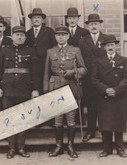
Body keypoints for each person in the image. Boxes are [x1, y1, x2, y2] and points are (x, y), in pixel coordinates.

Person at [0, 26, 40, 159]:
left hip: (25, 90)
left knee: (23, 119)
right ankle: (11, 148)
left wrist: (35, 89)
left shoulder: (31, 51)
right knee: (9, 119)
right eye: (17, 35)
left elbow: (36, 72)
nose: (19, 37)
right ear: (12, 37)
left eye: (22, 35)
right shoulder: (4, 51)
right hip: (7, 90)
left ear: (25, 38)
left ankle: (21, 147)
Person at [43, 26, 87, 158]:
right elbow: (46, 73)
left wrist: (73, 72)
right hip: (56, 88)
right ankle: (58, 146)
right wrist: (46, 90)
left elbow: (84, 69)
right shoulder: (50, 52)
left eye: (63, 35)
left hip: (71, 88)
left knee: (71, 119)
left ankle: (70, 146)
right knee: (58, 120)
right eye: (58, 35)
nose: (61, 37)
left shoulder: (75, 50)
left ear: (68, 36)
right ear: (55, 37)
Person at [91, 34, 127, 158]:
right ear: (104, 47)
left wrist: (116, 90)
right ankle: (106, 148)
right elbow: (94, 79)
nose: (110, 47)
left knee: (119, 123)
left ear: (116, 46)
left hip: (119, 96)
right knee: (105, 124)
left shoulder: (124, 60)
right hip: (104, 96)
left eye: (112, 45)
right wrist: (105, 90)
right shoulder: (97, 61)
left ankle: (120, 148)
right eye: (107, 45)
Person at [78, 13, 108, 142]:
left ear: (100, 25)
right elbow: (80, 61)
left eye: (96, 24)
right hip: (88, 79)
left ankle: (103, 130)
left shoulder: (106, 39)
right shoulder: (82, 41)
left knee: (103, 105)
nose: (94, 26)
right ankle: (90, 131)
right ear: (88, 26)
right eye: (91, 24)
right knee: (91, 105)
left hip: (103, 78)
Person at [25, 8, 57, 93]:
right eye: (34, 17)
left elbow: (54, 48)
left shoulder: (49, 31)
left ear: (42, 19)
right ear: (31, 19)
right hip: (32, 66)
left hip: (45, 65)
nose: (36, 19)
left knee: (45, 89)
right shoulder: (27, 33)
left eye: (38, 17)